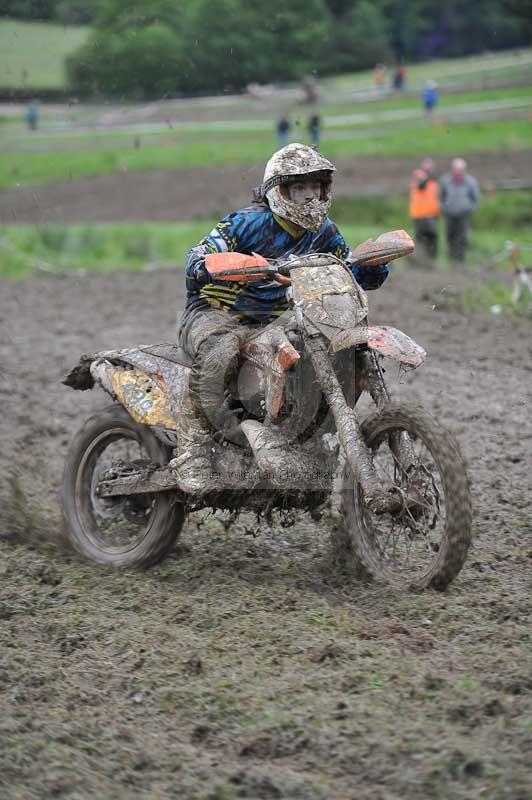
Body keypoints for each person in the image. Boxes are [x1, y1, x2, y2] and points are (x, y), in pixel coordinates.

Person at [174, 144, 390, 493]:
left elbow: (347, 269)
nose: (309, 196)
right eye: (298, 188)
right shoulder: (246, 223)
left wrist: (372, 266)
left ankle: (295, 437)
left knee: (314, 347)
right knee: (223, 348)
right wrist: (213, 265)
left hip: (269, 323)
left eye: (315, 187)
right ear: (279, 191)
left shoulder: (325, 233)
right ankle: (193, 451)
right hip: (213, 315)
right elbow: (197, 257)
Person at [439, 158, 480, 265]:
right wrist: (444, 208)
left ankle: (460, 261)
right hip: (449, 215)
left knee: (462, 238)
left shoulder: (471, 182)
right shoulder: (446, 181)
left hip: (463, 215)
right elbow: (440, 196)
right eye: (456, 169)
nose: (458, 172)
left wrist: (470, 209)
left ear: (464, 170)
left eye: (460, 170)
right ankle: (451, 261)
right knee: (450, 237)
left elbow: (475, 199)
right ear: (452, 170)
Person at [408, 157, 440, 263]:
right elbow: (422, 183)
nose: (428, 168)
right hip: (419, 215)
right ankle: (419, 260)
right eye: (427, 165)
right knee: (420, 239)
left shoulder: (434, 181)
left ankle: (431, 260)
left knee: (432, 238)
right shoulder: (419, 175)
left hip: (432, 214)